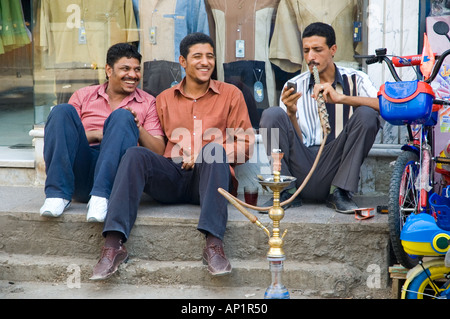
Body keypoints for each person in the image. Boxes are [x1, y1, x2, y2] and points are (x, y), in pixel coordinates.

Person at [90, 32, 254, 280]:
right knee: (135, 154)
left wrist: (204, 153)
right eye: (197, 56)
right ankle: (113, 245)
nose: (205, 62)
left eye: (210, 56)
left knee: (214, 151)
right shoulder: (164, 99)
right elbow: (156, 143)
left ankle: (214, 246)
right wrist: (136, 127)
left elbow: (245, 145)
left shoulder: (231, 94)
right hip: (172, 173)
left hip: (210, 178)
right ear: (183, 61)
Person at [260, 22, 380, 213]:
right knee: (271, 115)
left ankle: (340, 192)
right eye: (306, 51)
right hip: (302, 166)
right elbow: (295, 142)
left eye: (317, 50)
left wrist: (343, 98)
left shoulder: (356, 79)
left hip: (336, 165)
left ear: (333, 50)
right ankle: (285, 191)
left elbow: (384, 106)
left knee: (367, 114)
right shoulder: (294, 85)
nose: (310, 57)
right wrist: (291, 113)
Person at [39, 43, 165, 222]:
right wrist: (99, 134)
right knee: (60, 111)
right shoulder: (83, 95)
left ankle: (101, 197)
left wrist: (136, 128)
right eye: (125, 68)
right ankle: (57, 195)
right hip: (81, 171)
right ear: (108, 70)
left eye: (137, 69)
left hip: (116, 177)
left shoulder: (148, 102)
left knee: (122, 116)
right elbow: (64, 133)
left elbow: (159, 151)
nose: (133, 75)